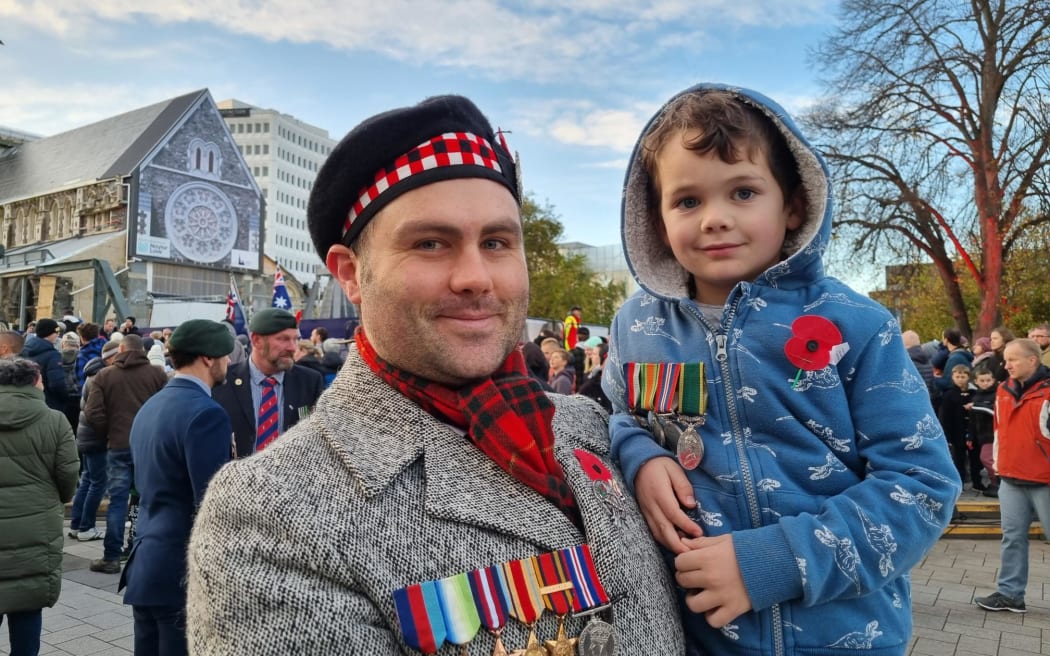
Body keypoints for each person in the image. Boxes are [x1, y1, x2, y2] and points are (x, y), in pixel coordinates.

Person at [187, 94, 684, 655]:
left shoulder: (591, 427)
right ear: (351, 275)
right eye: (430, 244)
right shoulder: (270, 513)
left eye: (496, 242)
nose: (475, 277)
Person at [602, 83, 961, 655]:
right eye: (687, 201)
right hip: (694, 639)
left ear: (793, 204)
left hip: (842, 639)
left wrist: (775, 562)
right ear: (656, 217)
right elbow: (619, 415)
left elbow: (922, 488)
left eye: (743, 192)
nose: (715, 219)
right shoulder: (635, 325)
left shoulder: (857, 325)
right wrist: (640, 455)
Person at [120, 320, 234, 656]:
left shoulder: (151, 406)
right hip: (180, 572)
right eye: (225, 356)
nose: (228, 362)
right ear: (208, 359)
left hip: (146, 564)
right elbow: (210, 504)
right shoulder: (207, 413)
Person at [0, 358, 79, 656]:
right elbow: (69, 475)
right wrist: (54, 497)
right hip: (35, 526)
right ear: (34, 381)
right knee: (27, 605)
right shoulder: (54, 420)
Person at [974, 338, 1050, 613]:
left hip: (1045, 479)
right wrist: (998, 465)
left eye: (1012, 360)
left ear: (1032, 360)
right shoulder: (1003, 389)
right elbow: (998, 431)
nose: (1005, 365)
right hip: (1011, 478)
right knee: (1012, 537)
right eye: (1005, 359)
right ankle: (1010, 595)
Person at [84, 333, 169, 574]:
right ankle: (145, 552)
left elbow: (93, 413)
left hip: (118, 445)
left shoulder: (105, 375)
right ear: (141, 350)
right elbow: (166, 408)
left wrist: (109, 432)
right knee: (149, 499)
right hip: (148, 446)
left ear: (120, 348)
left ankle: (111, 556)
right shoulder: (157, 375)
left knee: (118, 501)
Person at [211, 308, 324, 458]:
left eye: (295, 339)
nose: (293, 347)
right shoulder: (224, 381)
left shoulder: (309, 381)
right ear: (257, 340)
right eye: (283, 339)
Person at [68, 339, 121, 542]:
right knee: (97, 483)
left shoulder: (92, 374)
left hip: (86, 435)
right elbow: (96, 412)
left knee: (88, 481)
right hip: (96, 437)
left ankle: (76, 524)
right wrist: (106, 432)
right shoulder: (102, 377)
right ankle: (86, 527)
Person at [19, 318, 67, 412]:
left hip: (26, 402)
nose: (58, 335)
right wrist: (65, 398)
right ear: (49, 333)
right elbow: (57, 384)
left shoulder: (23, 351)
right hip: (49, 404)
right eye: (56, 332)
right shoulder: (53, 356)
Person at [938, 363, 974, 487]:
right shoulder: (949, 394)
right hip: (955, 431)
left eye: (963, 376)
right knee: (958, 458)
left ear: (968, 377)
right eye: (957, 376)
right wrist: (947, 435)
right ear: (953, 377)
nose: (960, 379)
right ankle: (960, 481)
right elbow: (944, 416)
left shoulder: (973, 393)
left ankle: (974, 481)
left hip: (969, 430)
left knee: (973, 458)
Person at [967, 364, 998, 498]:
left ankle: (1000, 482)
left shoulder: (997, 394)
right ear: (976, 382)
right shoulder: (976, 396)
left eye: (988, 380)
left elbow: (994, 411)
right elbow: (972, 421)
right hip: (982, 436)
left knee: (986, 459)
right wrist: (970, 437)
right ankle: (995, 484)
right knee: (988, 459)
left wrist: (975, 407)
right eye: (982, 381)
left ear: (993, 380)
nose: (986, 383)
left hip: (994, 435)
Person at [933, 327, 973, 392]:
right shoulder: (960, 354)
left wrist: (933, 378)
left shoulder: (955, 358)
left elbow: (949, 383)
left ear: (946, 340)